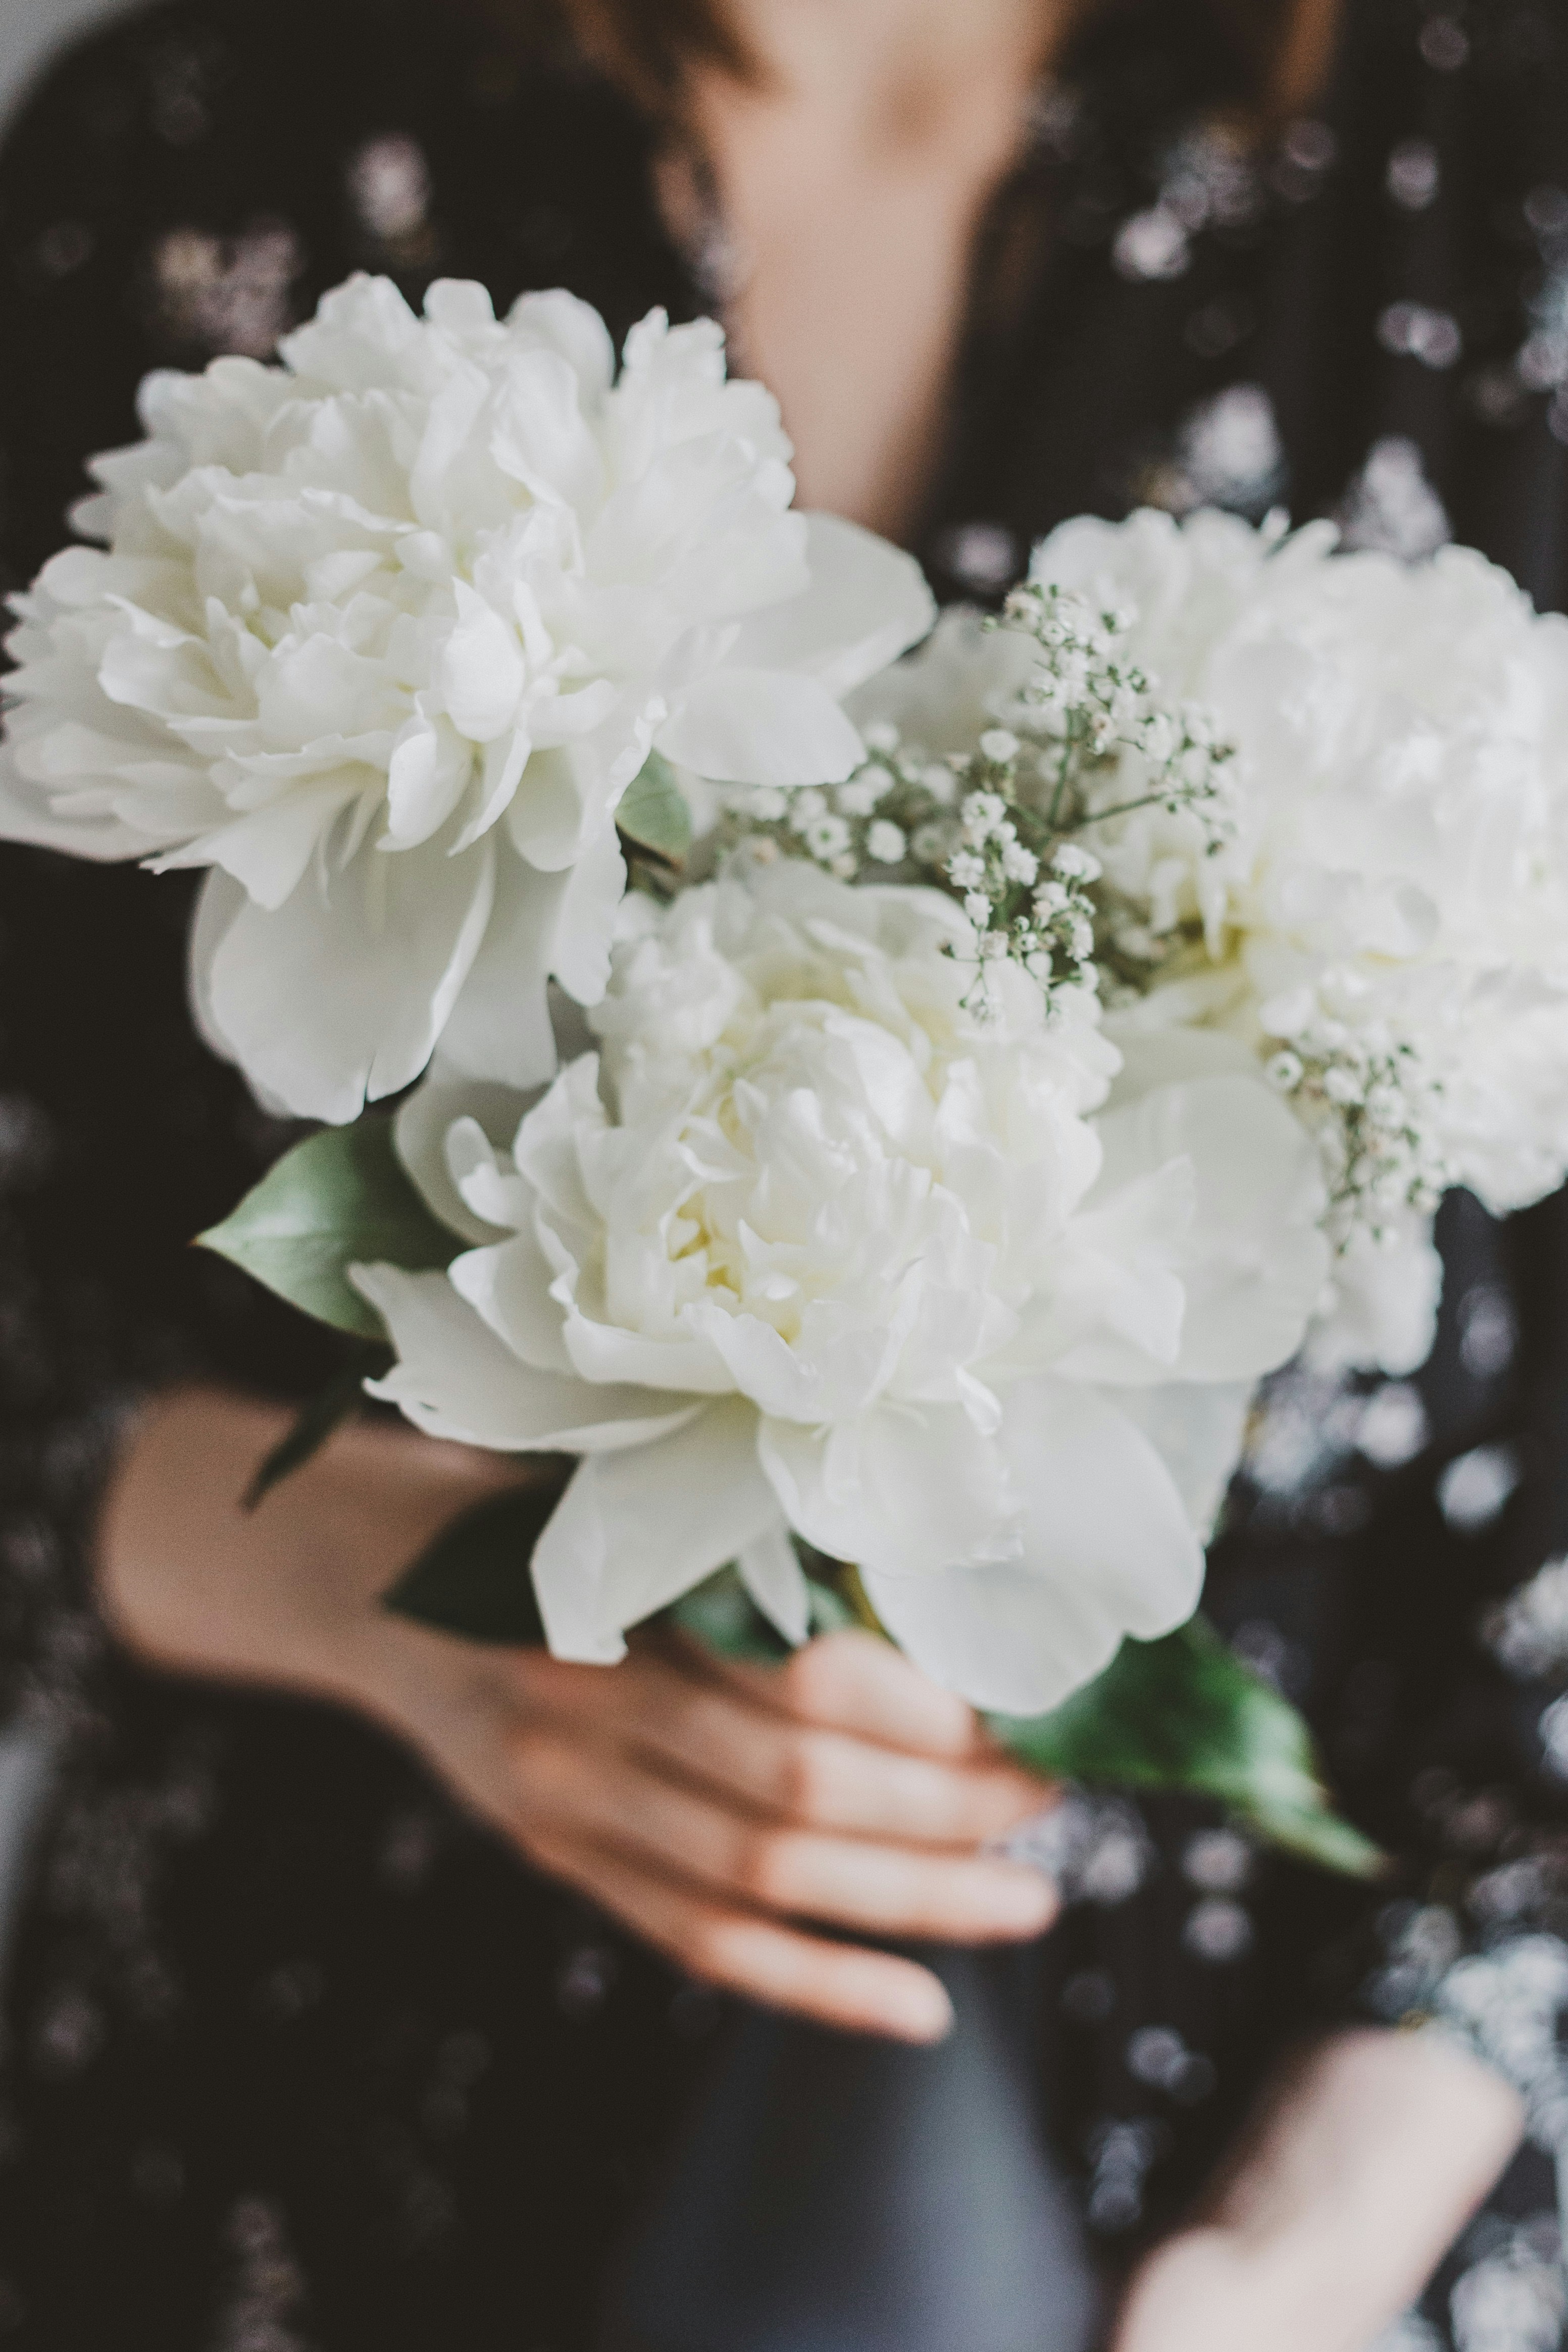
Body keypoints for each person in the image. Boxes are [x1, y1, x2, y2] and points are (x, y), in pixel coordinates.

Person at [0, 0, 1562, 2343]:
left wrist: (1312, 2240)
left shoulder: (1504, 163)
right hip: (303, 2155)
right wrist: (382, 1589)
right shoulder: (218, 146)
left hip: (1247, 2192)